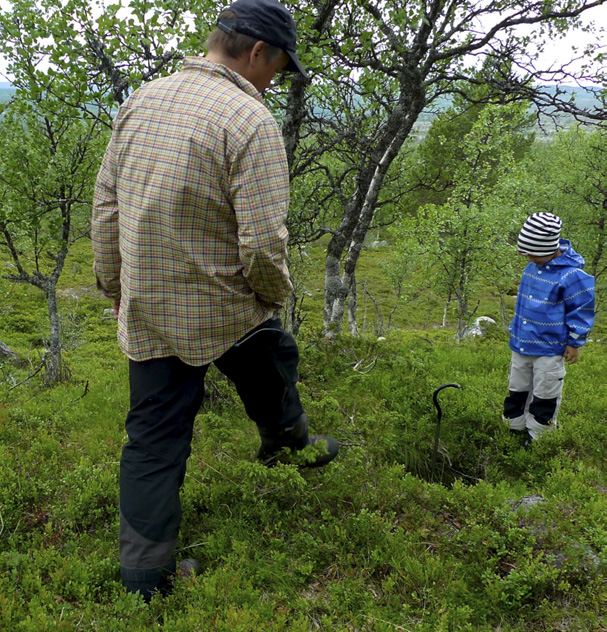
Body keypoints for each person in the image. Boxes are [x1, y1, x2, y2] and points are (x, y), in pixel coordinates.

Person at [91, 0, 338, 601]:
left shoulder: (140, 101)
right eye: (278, 68)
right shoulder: (249, 122)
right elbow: (260, 245)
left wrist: (118, 291)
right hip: (227, 305)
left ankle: (143, 580)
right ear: (257, 53)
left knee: (153, 440)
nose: (275, 81)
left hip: (150, 307)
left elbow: (105, 211)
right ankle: (288, 441)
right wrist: (274, 296)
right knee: (269, 348)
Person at [503, 212, 595, 444]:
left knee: (545, 392)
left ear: (544, 249)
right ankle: (515, 428)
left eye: (530, 252)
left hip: (550, 347)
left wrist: (575, 342)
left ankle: (538, 438)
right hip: (522, 343)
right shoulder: (532, 268)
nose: (526, 257)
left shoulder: (572, 276)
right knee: (517, 388)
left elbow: (582, 310)